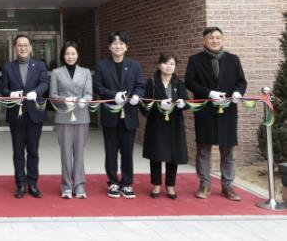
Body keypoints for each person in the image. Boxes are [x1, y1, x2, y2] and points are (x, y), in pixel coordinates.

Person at [185, 26, 247, 201]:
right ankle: (204, 184)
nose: (215, 40)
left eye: (218, 37)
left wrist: (237, 93)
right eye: (211, 38)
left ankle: (228, 186)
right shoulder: (195, 60)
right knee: (204, 150)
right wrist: (209, 93)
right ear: (204, 40)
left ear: (223, 39)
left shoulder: (233, 59)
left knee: (228, 151)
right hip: (205, 111)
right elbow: (190, 82)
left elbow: (241, 82)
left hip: (228, 111)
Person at [93, 30, 144, 199]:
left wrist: (136, 96)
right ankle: (113, 182)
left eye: (121, 43)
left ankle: (127, 183)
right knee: (111, 151)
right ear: (109, 46)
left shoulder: (135, 65)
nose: (118, 46)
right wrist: (112, 95)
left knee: (127, 151)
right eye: (115, 43)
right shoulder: (102, 65)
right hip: (110, 115)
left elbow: (140, 85)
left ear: (126, 47)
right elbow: (98, 87)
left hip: (129, 114)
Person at [1, 35, 49, 199]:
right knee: (18, 152)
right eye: (20, 45)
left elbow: (44, 83)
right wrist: (11, 94)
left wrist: (36, 92)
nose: (23, 48)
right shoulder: (8, 67)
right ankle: (20, 184)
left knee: (33, 151)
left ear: (30, 47)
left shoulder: (40, 65)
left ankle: (33, 183)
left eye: (26, 45)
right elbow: (3, 88)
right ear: (15, 48)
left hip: (35, 114)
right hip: (16, 114)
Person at [141, 53, 188, 200]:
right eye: (166, 63)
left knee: (173, 156)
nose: (169, 66)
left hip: (174, 124)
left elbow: (186, 102)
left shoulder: (179, 83)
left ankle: (170, 185)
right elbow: (144, 103)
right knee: (156, 155)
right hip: (157, 124)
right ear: (159, 65)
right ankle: (156, 185)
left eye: (172, 64)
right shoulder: (152, 82)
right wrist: (158, 104)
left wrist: (183, 103)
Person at [49, 41, 92, 199]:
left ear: (78, 55)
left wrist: (84, 100)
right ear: (63, 55)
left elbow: (89, 93)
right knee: (66, 154)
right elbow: (52, 95)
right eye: (67, 54)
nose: (70, 56)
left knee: (79, 154)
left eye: (73, 53)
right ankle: (66, 186)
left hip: (81, 115)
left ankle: (79, 185)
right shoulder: (56, 72)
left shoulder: (86, 72)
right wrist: (64, 100)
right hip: (63, 116)